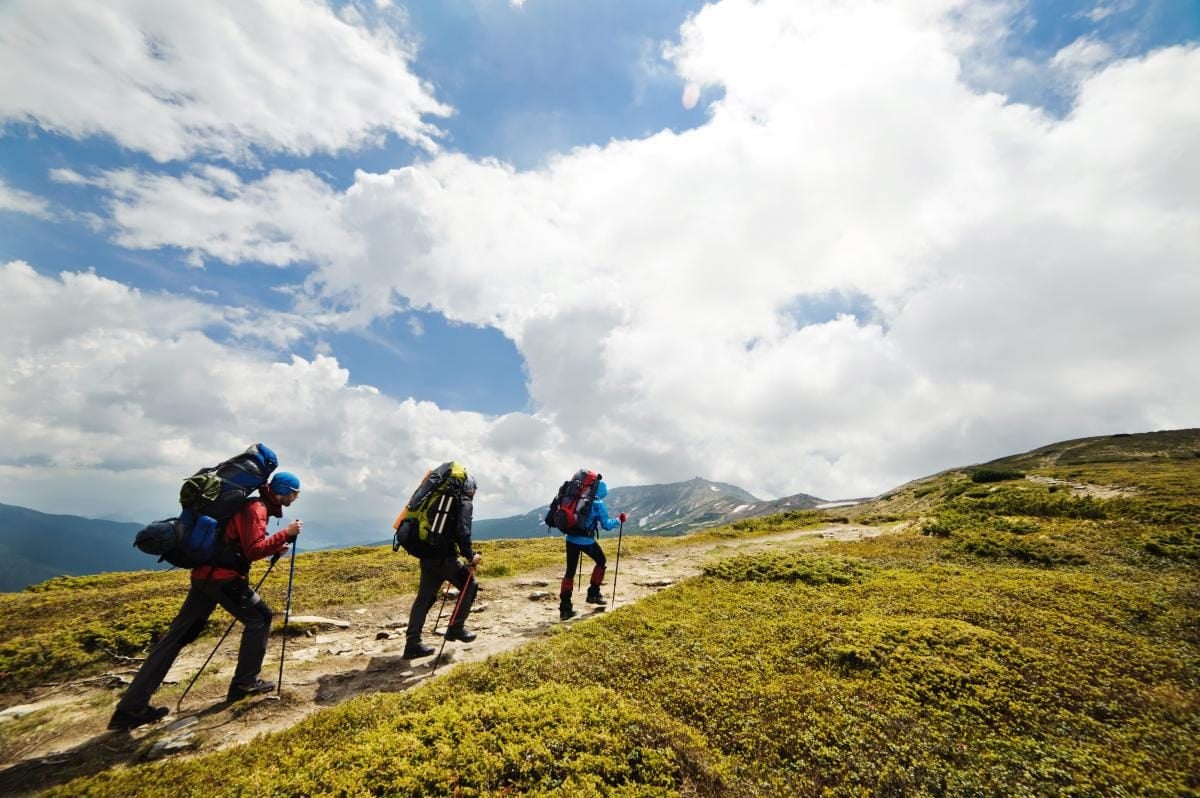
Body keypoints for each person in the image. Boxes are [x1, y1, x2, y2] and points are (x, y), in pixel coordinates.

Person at [107, 472, 304, 731]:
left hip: (204, 578)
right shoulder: (256, 508)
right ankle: (244, 683)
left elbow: (241, 543)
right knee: (260, 618)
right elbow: (253, 550)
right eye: (295, 493)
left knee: (175, 638)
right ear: (285, 491)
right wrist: (285, 534)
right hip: (224, 580)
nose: (296, 497)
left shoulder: (252, 506)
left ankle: (129, 708)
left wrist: (274, 545)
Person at [402, 473, 481, 660]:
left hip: (427, 556)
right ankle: (456, 628)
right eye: (475, 491)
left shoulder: (439, 499)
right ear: (470, 489)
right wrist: (471, 556)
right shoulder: (463, 501)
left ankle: (412, 644)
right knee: (470, 585)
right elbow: (463, 531)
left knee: (424, 599)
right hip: (446, 559)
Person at [560, 478, 626, 621]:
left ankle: (565, 609)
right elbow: (607, 525)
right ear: (601, 491)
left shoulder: (577, 499)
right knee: (601, 561)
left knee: (570, 571)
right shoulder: (598, 503)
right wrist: (619, 520)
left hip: (570, 539)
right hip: (586, 541)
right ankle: (593, 594)